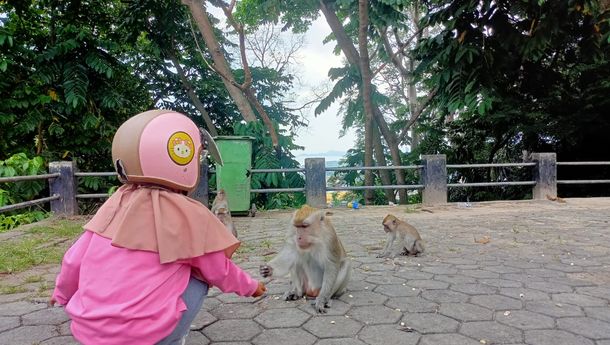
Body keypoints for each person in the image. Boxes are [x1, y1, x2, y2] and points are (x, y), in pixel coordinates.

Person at [50, 109, 266, 345]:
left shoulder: (113, 206)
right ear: (179, 158)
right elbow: (218, 269)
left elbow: (72, 261)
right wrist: (251, 287)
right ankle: (172, 339)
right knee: (199, 273)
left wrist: (61, 295)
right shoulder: (188, 214)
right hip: (145, 335)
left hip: (89, 332)